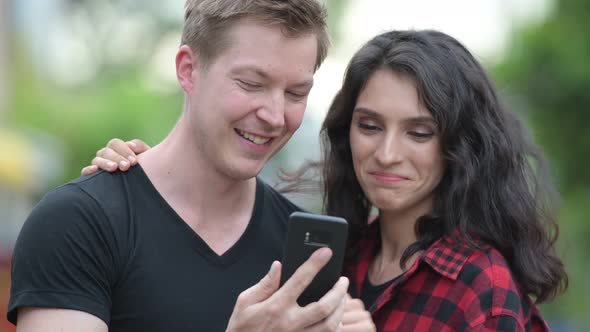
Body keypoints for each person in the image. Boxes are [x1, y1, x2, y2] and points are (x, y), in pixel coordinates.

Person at [90, 29, 568, 331]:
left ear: (458, 146)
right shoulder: (331, 258)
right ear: (346, 133)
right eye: (370, 125)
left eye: (419, 132)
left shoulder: (479, 287)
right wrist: (150, 184)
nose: (386, 153)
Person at [8, 1, 376, 331]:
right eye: (251, 84)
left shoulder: (304, 251)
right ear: (188, 69)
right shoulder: (78, 223)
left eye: (296, 93)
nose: (275, 116)